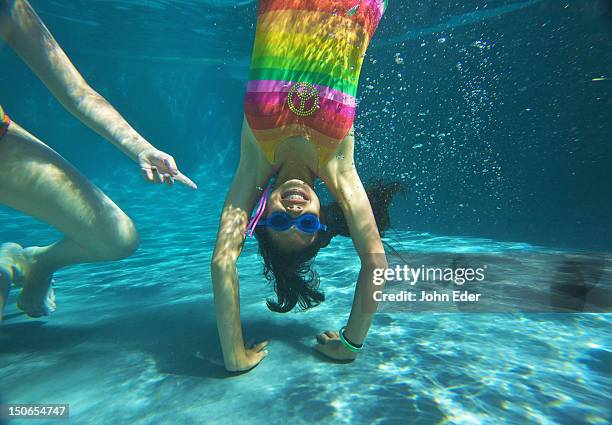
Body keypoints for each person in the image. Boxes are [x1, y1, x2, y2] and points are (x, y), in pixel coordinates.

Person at [211, 0, 402, 372]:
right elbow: (376, 263)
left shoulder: (254, 162)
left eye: (281, 223)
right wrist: (351, 343)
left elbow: (222, 262)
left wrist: (234, 355)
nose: (295, 213)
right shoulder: (339, 168)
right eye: (308, 225)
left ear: (259, 216)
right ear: (321, 217)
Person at [0, 0, 196, 320]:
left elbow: (76, 91)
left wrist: (140, 148)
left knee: (116, 238)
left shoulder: (9, 8)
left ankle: (37, 261)